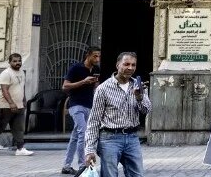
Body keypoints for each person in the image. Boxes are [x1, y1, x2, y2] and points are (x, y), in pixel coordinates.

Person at [84, 52, 150, 177]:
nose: (130, 68)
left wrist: (139, 97)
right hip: (109, 139)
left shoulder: (138, 86)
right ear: (117, 65)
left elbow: (146, 110)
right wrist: (89, 150)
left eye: (133, 65)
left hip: (132, 138)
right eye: (126, 64)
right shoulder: (103, 89)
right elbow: (94, 121)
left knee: (138, 174)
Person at [0, 53, 32, 157]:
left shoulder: (22, 72)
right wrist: (11, 103)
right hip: (5, 106)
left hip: (19, 105)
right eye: (14, 61)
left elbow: (21, 87)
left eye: (19, 61)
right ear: (9, 62)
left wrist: (24, 100)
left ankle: (20, 148)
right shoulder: (6, 73)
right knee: (0, 127)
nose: (17, 63)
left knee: (18, 128)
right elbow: (4, 90)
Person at [61, 46, 102, 174]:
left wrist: (97, 86)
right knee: (83, 134)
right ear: (88, 55)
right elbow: (65, 86)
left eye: (99, 56)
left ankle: (66, 166)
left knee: (75, 136)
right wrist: (83, 81)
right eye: (95, 56)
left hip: (89, 105)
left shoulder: (96, 69)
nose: (97, 59)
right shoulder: (76, 68)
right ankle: (82, 166)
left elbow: (95, 86)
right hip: (76, 104)